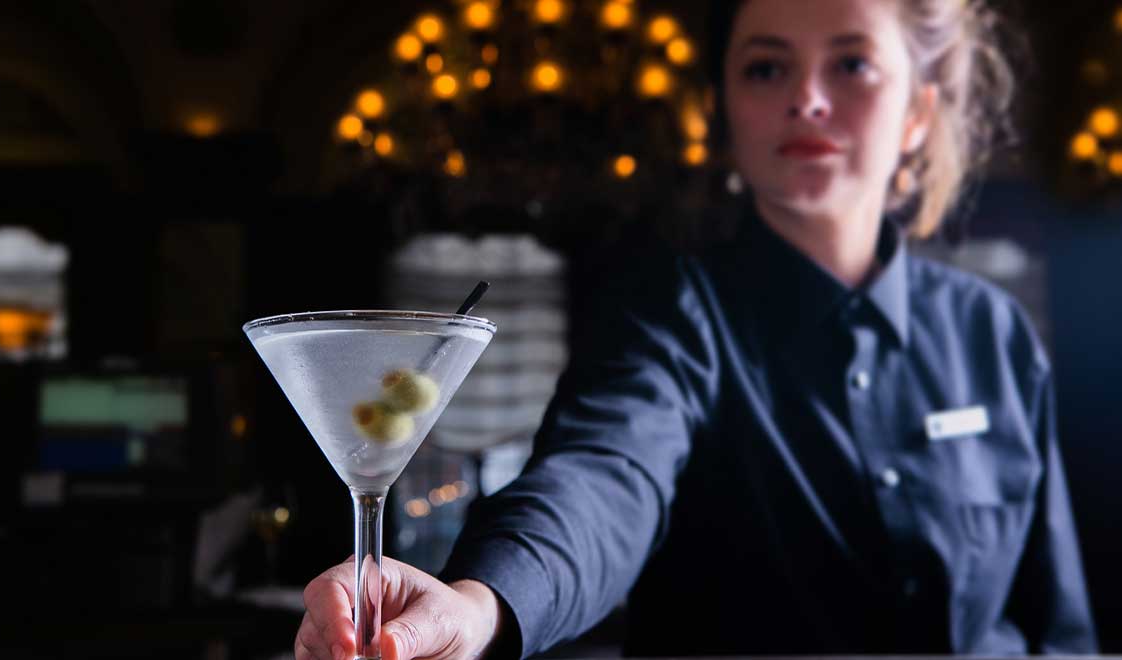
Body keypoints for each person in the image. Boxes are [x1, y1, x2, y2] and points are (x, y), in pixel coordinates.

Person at [295, 0, 1098, 658]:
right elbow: (599, 482)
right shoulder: (669, 313)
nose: (807, 98)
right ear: (726, 111)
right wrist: (477, 607)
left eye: (851, 63)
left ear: (919, 112)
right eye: (766, 66)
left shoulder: (994, 333)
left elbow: (1059, 626)